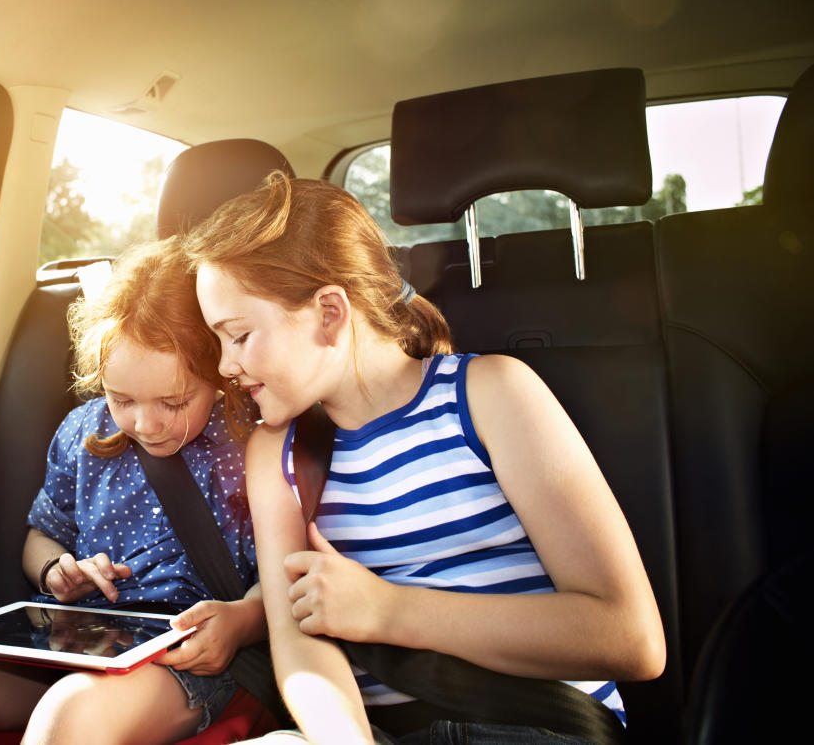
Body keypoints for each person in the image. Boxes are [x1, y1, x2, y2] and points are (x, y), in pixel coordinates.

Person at [183, 173, 665, 745]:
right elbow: (299, 644)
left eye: (237, 335)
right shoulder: (275, 453)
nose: (225, 367)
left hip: (536, 723)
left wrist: (388, 611)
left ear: (329, 313)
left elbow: (630, 638)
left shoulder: (491, 395)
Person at [0, 235, 266, 744]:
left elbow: (284, 574)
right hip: (78, 640)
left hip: (185, 659)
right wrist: (57, 571)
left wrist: (240, 622)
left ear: (218, 373)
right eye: (122, 398)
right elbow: (41, 535)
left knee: (69, 716)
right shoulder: (84, 433)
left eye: (174, 401)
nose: (146, 423)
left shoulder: (248, 443)